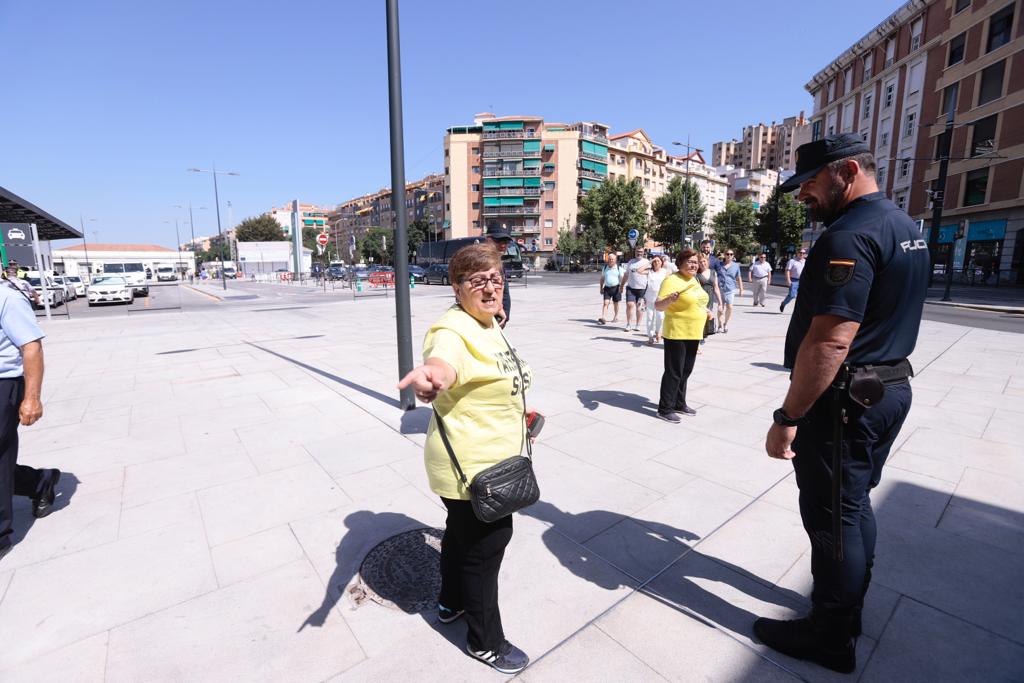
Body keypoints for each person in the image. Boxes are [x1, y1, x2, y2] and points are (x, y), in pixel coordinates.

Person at [756, 134, 929, 674]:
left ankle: (830, 635)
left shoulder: (848, 235)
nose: (803, 193)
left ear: (847, 170)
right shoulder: (905, 227)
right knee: (854, 506)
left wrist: (788, 417)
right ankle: (847, 611)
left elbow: (830, 341)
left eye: (809, 181)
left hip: (846, 399)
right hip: (888, 386)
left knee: (833, 516)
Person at [397, 242, 532, 674]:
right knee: (484, 553)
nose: (490, 287)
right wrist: (432, 377)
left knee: (458, 538)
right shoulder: (451, 331)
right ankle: (485, 642)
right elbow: (444, 361)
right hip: (475, 471)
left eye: (496, 278)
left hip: (488, 458)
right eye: (478, 281)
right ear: (456, 288)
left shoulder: (489, 322)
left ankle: (450, 603)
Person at [0, 274, 61, 563]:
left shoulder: (8, 299)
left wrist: (32, 397)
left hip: (4, 385)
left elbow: (32, 347)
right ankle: (39, 482)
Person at [654, 249, 711, 422]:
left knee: (686, 370)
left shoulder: (693, 280)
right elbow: (658, 305)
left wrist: (706, 310)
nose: (694, 265)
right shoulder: (672, 280)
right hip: (677, 331)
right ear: (680, 263)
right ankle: (665, 408)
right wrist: (669, 300)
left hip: (693, 332)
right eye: (690, 262)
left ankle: (679, 402)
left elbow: (697, 301)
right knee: (674, 371)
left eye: (696, 262)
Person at [484, 225, 513, 328]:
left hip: (498, 319)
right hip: (486, 319)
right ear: (488, 240)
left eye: (505, 242)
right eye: (499, 241)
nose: (503, 245)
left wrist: (504, 315)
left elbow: (504, 291)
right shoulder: (480, 262)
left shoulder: (498, 262)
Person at [696, 253, 723, 353]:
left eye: (704, 261)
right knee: (700, 320)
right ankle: (697, 343)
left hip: (710, 299)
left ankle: (701, 337)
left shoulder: (713, 272)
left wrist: (720, 303)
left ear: (707, 262)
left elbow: (716, 288)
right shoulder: (697, 274)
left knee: (706, 320)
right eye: (700, 262)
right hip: (700, 299)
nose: (702, 263)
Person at [622, 247, 650, 333]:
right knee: (630, 305)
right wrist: (621, 285)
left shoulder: (647, 262)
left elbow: (651, 273)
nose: (639, 253)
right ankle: (628, 324)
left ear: (643, 252)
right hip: (631, 288)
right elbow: (626, 275)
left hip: (642, 289)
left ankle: (638, 324)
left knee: (639, 308)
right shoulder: (631, 262)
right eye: (637, 251)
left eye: (641, 252)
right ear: (635, 252)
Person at [716, 250, 743, 333]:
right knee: (721, 308)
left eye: (731, 254)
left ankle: (725, 324)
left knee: (730, 307)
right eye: (727, 254)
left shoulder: (736, 266)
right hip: (720, 288)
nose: (729, 255)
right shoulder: (719, 265)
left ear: (733, 255)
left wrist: (741, 288)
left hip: (730, 289)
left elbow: (738, 277)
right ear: (724, 255)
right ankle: (720, 325)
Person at [644, 255, 668, 345]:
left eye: (658, 261)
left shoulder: (665, 272)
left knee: (660, 317)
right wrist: (650, 261)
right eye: (655, 261)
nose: (656, 262)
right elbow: (639, 271)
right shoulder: (649, 272)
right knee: (650, 317)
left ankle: (658, 332)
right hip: (650, 297)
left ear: (661, 262)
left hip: (661, 298)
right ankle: (650, 336)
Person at [597, 253, 625, 325]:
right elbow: (602, 279)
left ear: (615, 260)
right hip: (607, 288)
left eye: (612, 259)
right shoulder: (605, 268)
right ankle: (603, 318)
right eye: (610, 259)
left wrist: (621, 287)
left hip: (616, 288)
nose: (611, 260)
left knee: (616, 303)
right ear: (608, 260)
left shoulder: (619, 268)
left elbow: (623, 278)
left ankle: (616, 316)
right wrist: (601, 288)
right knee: (605, 303)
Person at [779, 248, 807, 313]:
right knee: (792, 295)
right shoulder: (792, 261)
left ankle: (799, 310)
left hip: (803, 280)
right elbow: (787, 270)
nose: (802, 254)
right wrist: (788, 280)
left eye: (803, 253)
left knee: (802, 296)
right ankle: (783, 303)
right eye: (800, 252)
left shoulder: (805, 261)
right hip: (794, 280)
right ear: (797, 253)